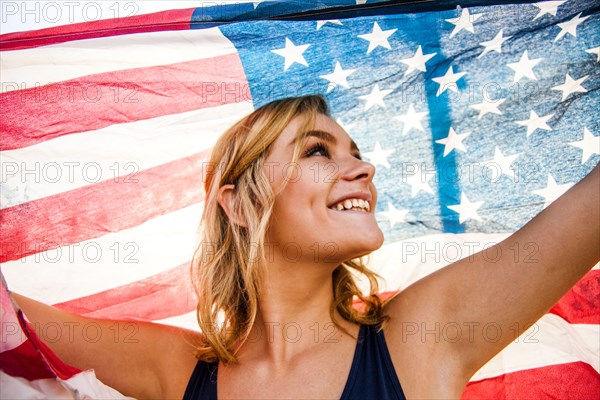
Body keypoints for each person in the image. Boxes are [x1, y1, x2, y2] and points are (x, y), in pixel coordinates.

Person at [11, 95, 600, 399]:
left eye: (356, 151)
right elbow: (11, 322)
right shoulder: (178, 371)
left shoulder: (421, 337)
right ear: (238, 205)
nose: (363, 168)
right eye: (319, 151)